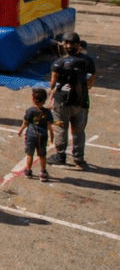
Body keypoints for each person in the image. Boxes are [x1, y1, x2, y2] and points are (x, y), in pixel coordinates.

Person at [47, 32, 96, 170]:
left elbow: (53, 81)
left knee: (61, 128)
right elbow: (92, 78)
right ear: (78, 45)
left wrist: (52, 92)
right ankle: (78, 160)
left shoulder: (59, 63)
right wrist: (84, 86)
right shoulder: (87, 60)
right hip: (81, 102)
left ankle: (60, 156)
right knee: (79, 131)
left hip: (62, 101)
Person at [18, 88, 53, 181]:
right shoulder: (47, 112)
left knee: (30, 154)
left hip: (31, 135)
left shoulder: (30, 111)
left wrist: (20, 130)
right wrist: (52, 136)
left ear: (33, 99)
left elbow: (25, 123)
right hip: (42, 136)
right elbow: (50, 125)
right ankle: (43, 172)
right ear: (45, 100)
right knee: (42, 155)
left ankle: (28, 171)